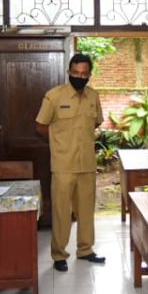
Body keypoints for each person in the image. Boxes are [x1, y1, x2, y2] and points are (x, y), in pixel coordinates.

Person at [36, 52, 104, 272]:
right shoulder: (54, 96)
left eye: (84, 73)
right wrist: (60, 141)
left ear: (89, 75)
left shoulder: (94, 96)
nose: (80, 76)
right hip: (63, 165)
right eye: (76, 72)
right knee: (61, 212)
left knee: (86, 211)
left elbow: (95, 123)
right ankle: (59, 254)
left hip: (87, 164)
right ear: (69, 72)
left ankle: (85, 250)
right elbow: (40, 126)